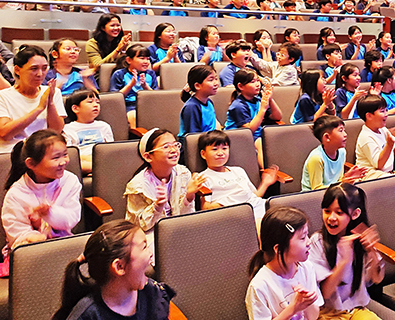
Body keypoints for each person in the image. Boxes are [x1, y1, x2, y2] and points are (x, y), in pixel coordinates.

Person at [52, 219, 177, 320]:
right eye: (144, 247)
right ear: (119, 267)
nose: (150, 253)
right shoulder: (88, 314)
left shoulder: (152, 293)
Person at [124, 129, 205, 259]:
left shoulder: (183, 173)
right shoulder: (137, 186)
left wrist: (189, 197)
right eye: (166, 147)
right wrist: (157, 206)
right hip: (152, 234)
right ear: (148, 156)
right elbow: (137, 226)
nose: (174, 150)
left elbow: (185, 217)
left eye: (175, 145)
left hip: (179, 227)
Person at [308, 183, 385, 320]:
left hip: (355, 309)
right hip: (327, 312)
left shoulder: (360, 238)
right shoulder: (317, 242)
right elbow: (325, 293)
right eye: (327, 211)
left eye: (339, 213)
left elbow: (377, 278)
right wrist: (344, 262)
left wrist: (372, 251)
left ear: (355, 214)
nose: (331, 218)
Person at [1, 129, 81, 251]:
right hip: (29, 251)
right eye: (56, 157)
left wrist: (50, 213)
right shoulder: (16, 194)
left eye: (65, 154)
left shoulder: (70, 180)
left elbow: (72, 217)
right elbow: (16, 232)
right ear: (31, 164)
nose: (63, 162)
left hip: (63, 245)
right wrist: (34, 238)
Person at [246, 206, 323, 320]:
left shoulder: (306, 268)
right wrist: (293, 308)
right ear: (278, 249)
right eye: (302, 238)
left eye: (307, 235)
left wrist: (307, 301)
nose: (309, 242)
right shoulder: (259, 286)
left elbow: (313, 316)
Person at [198, 130, 277, 225]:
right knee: (267, 225)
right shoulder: (203, 177)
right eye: (215, 149)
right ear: (203, 154)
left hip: (258, 207)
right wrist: (230, 201)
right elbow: (205, 208)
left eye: (224, 148)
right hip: (236, 215)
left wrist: (265, 183)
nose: (220, 153)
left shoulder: (239, 171)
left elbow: (254, 196)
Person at [0, 45, 66, 153]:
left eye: (44, 68)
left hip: (44, 151)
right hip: (14, 152)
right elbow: (5, 134)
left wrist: (50, 103)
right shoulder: (3, 96)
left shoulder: (52, 92)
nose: (40, 74)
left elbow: (56, 130)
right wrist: (39, 108)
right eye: (34, 69)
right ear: (17, 70)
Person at [226, 68, 282, 167]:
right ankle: (265, 170)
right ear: (240, 86)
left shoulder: (257, 100)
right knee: (260, 142)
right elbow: (249, 130)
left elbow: (277, 117)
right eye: (252, 82)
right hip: (237, 136)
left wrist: (270, 99)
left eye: (257, 81)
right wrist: (263, 109)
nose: (257, 84)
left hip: (256, 134)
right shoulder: (238, 105)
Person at [301, 115, 367, 192]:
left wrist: (347, 178)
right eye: (341, 130)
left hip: (334, 192)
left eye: (344, 130)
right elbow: (316, 189)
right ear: (327, 137)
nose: (345, 134)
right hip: (312, 196)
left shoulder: (342, 152)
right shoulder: (316, 158)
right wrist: (342, 183)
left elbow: (339, 179)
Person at [354, 94, 395, 180]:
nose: (386, 114)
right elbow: (379, 165)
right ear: (369, 116)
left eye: (386, 110)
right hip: (370, 175)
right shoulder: (366, 137)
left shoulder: (382, 129)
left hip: (386, 174)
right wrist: (389, 145)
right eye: (382, 111)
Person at [63, 89, 113, 174]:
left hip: (102, 159)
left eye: (97, 102)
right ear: (75, 108)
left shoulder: (104, 126)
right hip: (82, 160)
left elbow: (110, 149)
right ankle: (98, 170)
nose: (95, 105)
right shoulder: (68, 129)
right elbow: (70, 154)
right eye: (90, 102)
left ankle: (97, 170)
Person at [110, 44, 159, 128]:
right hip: (128, 106)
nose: (146, 62)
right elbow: (114, 98)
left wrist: (145, 86)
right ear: (129, 60)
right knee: (133, 115)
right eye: (142, 58)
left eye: (148, 59)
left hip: (148, 106)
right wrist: (131, 84)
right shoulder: (119, 74)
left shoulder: (151, 74)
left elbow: (156, 97)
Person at [178, 65, 220, 138]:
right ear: (197, 86)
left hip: (210, 140)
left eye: (216, 79)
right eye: (211, 80)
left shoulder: (209, 102)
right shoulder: (192, 107)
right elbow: (194, 137)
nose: (216, 83)